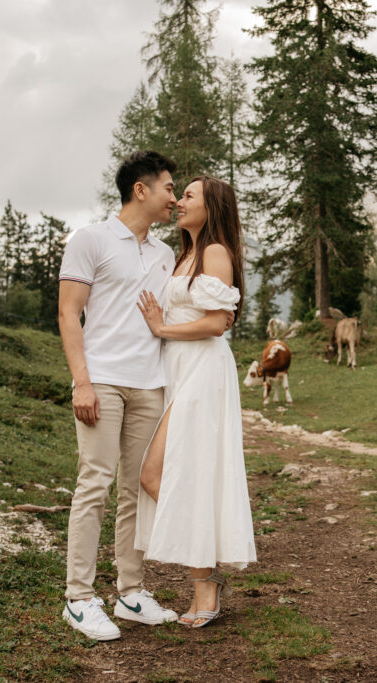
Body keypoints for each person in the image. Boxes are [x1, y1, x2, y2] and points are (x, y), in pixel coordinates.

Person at [58, 151, 197, 641]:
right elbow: (69, 314)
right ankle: (78, 598)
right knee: (95, 482)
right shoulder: (90, 239)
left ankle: (131, 593)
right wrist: (82, 381)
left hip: (150, 383)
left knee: (137, 489)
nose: (174, 197)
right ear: (141, 189)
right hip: (102, 381)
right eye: (168, 188)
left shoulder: (164, 254)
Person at [134, 175, 257, 628]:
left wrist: (161, 328)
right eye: (180, 194)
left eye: (188, 196)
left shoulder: (215, 252)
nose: (179, 202)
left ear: (211, 207)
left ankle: (205, 582)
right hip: (178, 369)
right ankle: (206, 578)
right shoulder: (184, 254)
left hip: (203, 370)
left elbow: (217, 322)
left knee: (155, 473)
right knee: (175, 475)